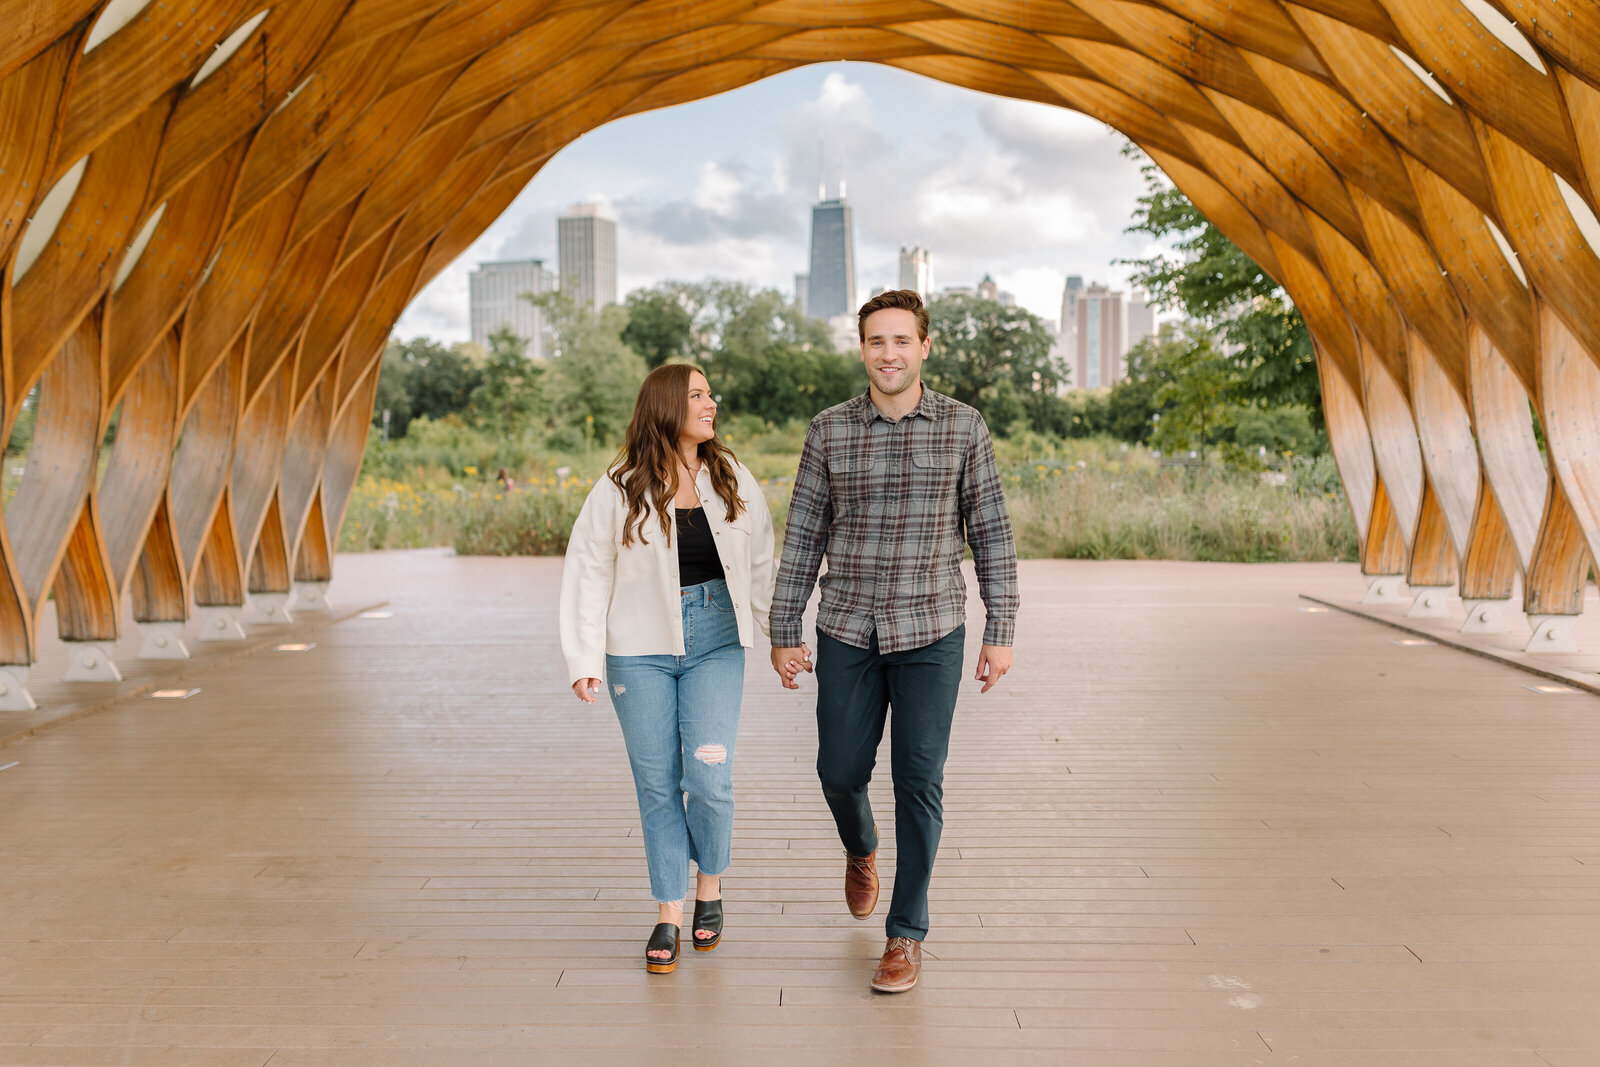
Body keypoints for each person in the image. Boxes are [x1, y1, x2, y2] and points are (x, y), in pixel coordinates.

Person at [768, 289, 1018, 994]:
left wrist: (1001, 629)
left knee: (919, 779)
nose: (889, 353)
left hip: (931, 626)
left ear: (925, 347)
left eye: (902, 341)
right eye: (877, 341)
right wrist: (785, 627)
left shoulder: (965, 428)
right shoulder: (829, 430)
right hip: (846, 622)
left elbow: (993, 532)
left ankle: (906, 935)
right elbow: (804, 534)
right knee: (839, 770)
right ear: (862, 349)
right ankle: (860, 846)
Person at [560, 363, 777, 974]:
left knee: (708, 777)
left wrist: (779, 636)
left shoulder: (731, 476)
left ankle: (710, 885)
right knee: (657, 783)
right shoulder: (619, 485)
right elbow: (587, 571)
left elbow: (761, 561)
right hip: (638, 648)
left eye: (710, 392)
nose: (712, 403)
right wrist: (583, 656)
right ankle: (670, 910)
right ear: (665, 406)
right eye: (698, 395)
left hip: (715, 639)